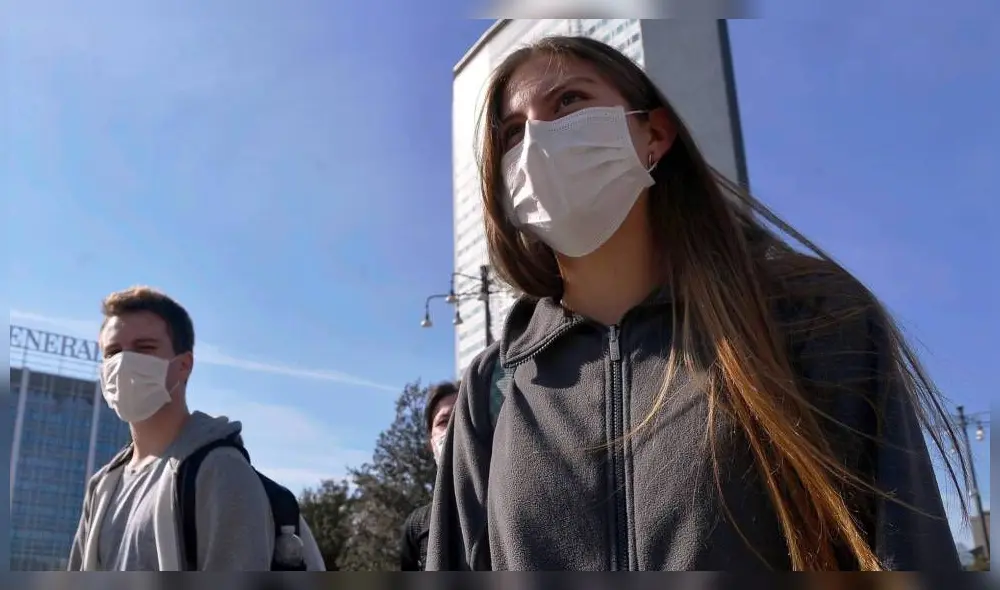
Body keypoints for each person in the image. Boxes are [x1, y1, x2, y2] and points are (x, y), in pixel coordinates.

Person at [427, 36, 964, 571]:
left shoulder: (811, 318)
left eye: (568, 101)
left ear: (654, 135)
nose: (539, 142)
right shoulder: (491, 389)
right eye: (514, 132)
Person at [68, 286, 325, 571]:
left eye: (144, 348)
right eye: (112, 352)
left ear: (183, 365)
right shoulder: (103, 485)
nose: (123, 363)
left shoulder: (219, 470)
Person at [400, 382, 459, 571]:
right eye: (443, 422)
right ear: (431, 443)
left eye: (462, 416)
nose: (454, 428)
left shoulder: (510, 511)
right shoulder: (417, 526)